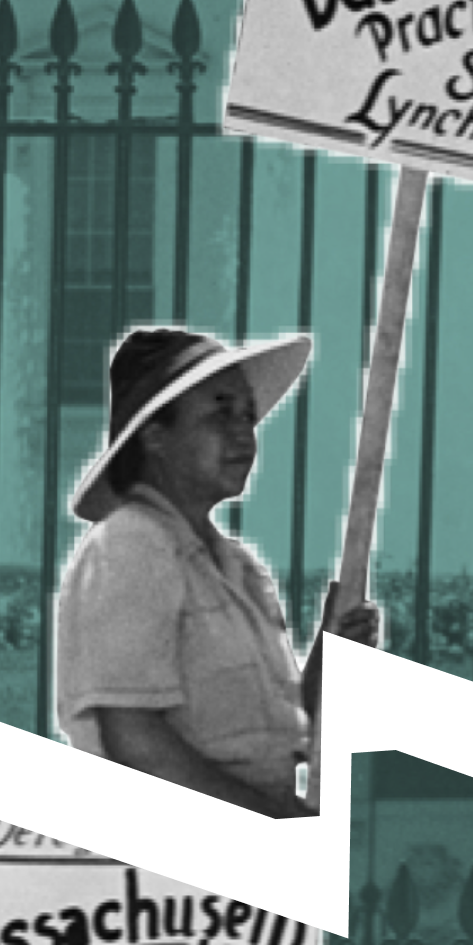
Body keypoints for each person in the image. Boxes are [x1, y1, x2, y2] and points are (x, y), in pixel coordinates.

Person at [56, 325, 378, 815]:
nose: (242, 433)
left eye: (247, 416)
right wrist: (278, 825)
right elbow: (134, 742)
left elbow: (280, 729)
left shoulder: (239, 569)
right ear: (156, 437)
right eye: (219, 413)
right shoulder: (131, 544)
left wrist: (332, 653)